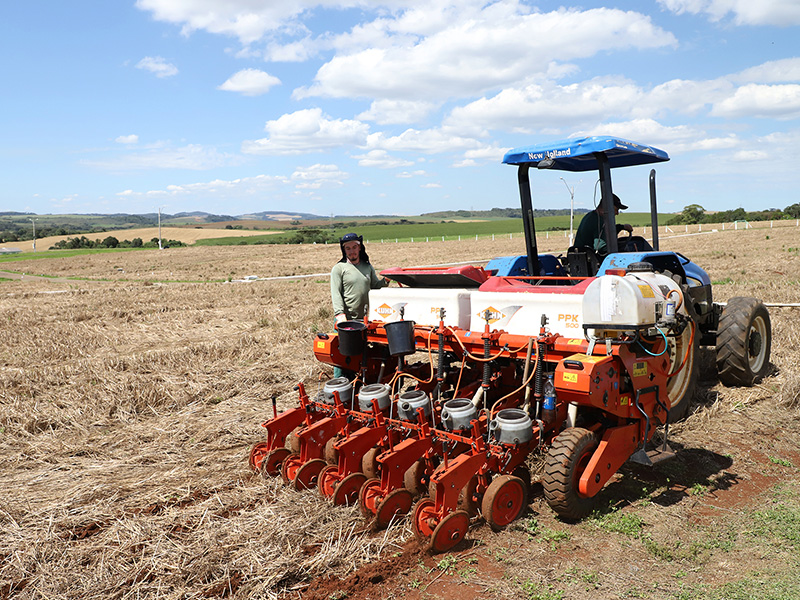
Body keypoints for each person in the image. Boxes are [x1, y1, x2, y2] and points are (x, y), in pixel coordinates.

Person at [330, 232, 388, 325]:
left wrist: (386, 280)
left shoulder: (367, 267)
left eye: (354, 247)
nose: (351, 251)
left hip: (364, 319)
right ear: (344, 250)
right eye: (348, 248)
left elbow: (375, 286)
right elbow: (335, 293)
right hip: (345, 319)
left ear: (359, 247)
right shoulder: (339, 268)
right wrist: (339, 314)